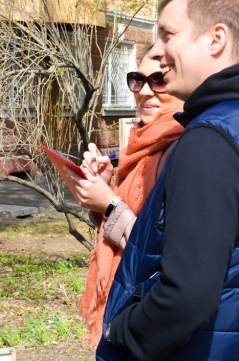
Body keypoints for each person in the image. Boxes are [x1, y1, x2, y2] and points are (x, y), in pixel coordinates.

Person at [96, 0, 239, 360]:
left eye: (168, 34)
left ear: (215, 39)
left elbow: (186, 299)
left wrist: (120, 333)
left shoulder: (212, 139)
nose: (157, 49)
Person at [64, 50, 183, 347]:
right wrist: (103, 191)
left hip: (150, 322)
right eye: (137, 80)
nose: (144, 91)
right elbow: (134, 225)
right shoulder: (142, 144)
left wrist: (109, 204)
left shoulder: (183, 148)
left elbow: (162, 253)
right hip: (129, 305)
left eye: (158, 81)